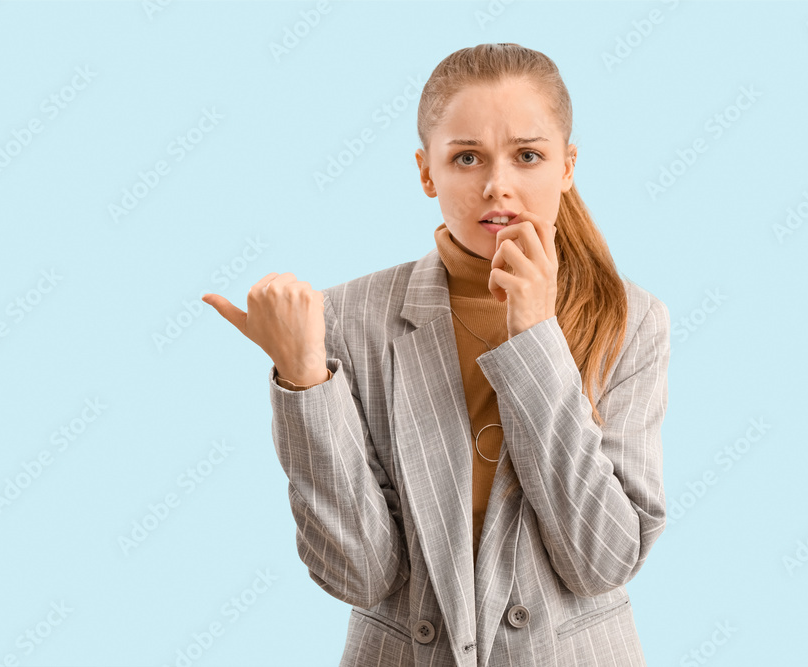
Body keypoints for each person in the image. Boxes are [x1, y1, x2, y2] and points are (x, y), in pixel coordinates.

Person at [203, 43, 670, 667]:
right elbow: (358, 575)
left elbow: (601, 560)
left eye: (528, 155)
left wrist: (534, 335)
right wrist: (305, 379)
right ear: (427, 172)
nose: (497, 185)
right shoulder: (344, 319)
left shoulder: (631, 319)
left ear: (567, 166)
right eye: (467, 157)